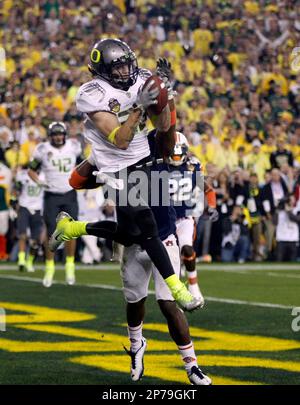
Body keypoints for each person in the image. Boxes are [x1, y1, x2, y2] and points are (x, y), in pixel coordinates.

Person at [50, 39, 201, 311]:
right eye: (118, 67)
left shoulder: (142, 78)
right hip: (114, 167)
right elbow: (120, 140)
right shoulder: (91, 92)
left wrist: (164, 98)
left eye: (127, 64)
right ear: (102, 70)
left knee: (129, 235)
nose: (126, 71)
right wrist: (140, 106)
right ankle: (180, 290)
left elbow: (164, 126)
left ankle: (71, 228)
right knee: (149, 226)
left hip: (144, 160)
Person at [121, 130, 211, 385]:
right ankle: (136, 345)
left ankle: (192, 365)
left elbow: (166, 125)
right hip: (135, 243)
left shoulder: (165, 164)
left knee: (167, 302)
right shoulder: (120, 165)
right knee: (135, 300)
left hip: (164, 238)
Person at [28, 121, 82, 287]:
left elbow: (82, 165)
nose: (58, 137)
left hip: (69, 193)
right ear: (50, 136)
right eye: (55, 134)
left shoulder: (74, 146)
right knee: (52, 234)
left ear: (64, 134)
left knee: (71, 232)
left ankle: (69, 266)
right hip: (51, 195)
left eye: (60, 134)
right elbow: (31, 170)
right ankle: (49, 268)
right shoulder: (42, 149)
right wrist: (39, 182)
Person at [168, 131, 218, 301]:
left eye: (178, 154)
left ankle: (194, 285)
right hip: (164, 218)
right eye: (172, 154)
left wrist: (211, 206)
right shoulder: (158, 164)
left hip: (184, 217)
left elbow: (208, 189)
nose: (175, 158)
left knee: (187, 249)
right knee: (168, 258)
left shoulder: (193, 165)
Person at [14, 166, 44, 272]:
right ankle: (21, 260)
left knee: (35, 240)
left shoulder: (45, 175)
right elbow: (16, 190)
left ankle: (29, 261)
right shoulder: (23, 174)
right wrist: (15, 197)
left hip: (38, 209)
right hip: (24, 207)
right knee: (22, 235)